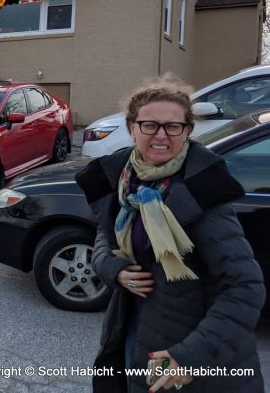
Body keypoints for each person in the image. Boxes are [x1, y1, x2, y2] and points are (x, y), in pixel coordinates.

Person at [74, 76, 265, 393]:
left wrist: (190, 357)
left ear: (188, 131)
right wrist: (114, 269)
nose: (161, 135)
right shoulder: (123, 182)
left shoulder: (203, 194)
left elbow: (246, 287)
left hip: (187, 351)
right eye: (149, 125)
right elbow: (104, 236)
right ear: (132, 127)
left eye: (172, 127)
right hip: (133, 327)